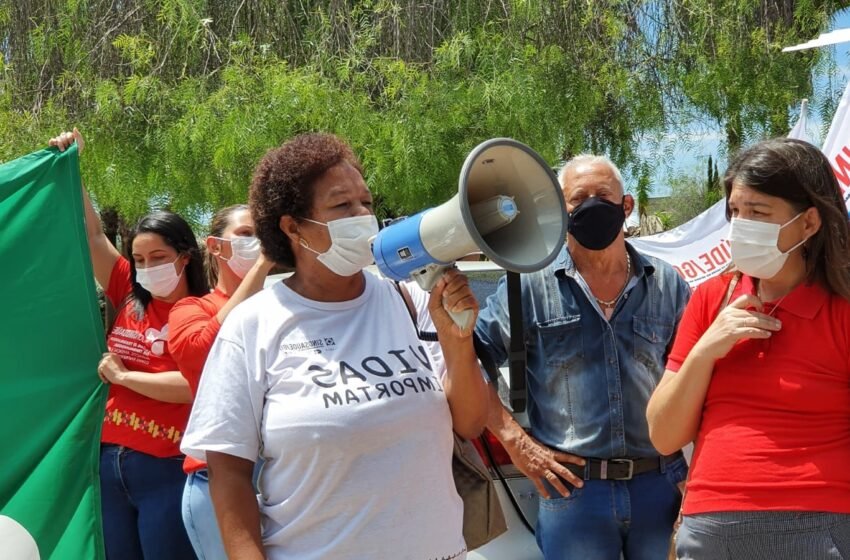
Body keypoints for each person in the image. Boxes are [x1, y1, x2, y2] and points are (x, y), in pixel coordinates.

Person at [180, 132, 489, 560]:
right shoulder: (253, 326)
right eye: (343, 206)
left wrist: (458, 343)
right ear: (292, 228)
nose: (363, 216)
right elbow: (228, 472)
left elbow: (470, 424)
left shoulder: (410, 300)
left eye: (366, 203)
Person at [475, 154, 692, 560]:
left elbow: (700, 380)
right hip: (572, 492)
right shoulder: (527, 288)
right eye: (578, 198)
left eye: (603, 195)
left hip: (660, 486)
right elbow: (468, 361)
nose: (591, 205)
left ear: (625, 206)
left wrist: (699, 476)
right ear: (559, 210)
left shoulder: (668, 285)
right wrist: (516, 442)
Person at [646, 138, 850, 559]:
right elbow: (664, 435)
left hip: (819, 527)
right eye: (735, 212)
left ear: (809, 223)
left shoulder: (842, 309)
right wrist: (707, 350)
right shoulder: (711, 299)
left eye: (758, 212)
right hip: (710, 530)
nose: (741, 225)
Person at [49, 129, 204, 559]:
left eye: (158, 258)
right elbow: (94, 235)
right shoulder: (128, 293)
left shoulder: (206, 310)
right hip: (108, 465)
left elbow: (193, 383)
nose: (146, 267)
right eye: (139, 259)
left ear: (185, 257)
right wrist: (72, 167)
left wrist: (124, 376)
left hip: (168, 467)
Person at [167, 204, 274, 560]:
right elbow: (199, 352)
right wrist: (261, 266)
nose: (257, 242)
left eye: (262, 233)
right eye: (246, 235)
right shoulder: (190, 310)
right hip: (217, 483)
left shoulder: (285, 306)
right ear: (215, 246)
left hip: (283, 475)